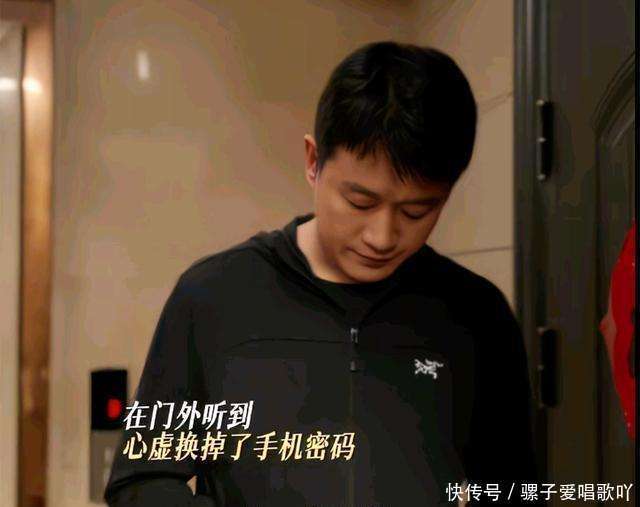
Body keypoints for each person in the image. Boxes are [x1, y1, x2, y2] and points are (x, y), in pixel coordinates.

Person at [104, 41, 539, 506]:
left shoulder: (478, 315)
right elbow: (142, 480)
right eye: (360, 202)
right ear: (314, 162)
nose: (383, 237)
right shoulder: (214, 296)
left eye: (416, 211)